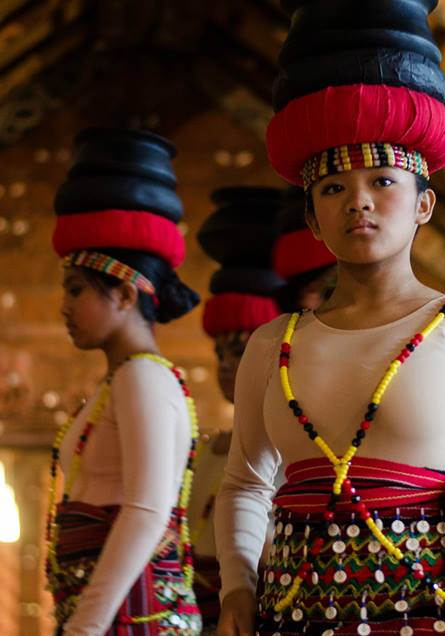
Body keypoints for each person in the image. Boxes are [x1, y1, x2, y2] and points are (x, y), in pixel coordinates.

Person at [214, 2, 445, 635]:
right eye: (332, 188)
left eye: (383, 181)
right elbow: (245, 484)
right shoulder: (272, 346)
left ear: (424, 204)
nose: (358, 200)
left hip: (436, 619)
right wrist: (236, 586)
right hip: (291, 620)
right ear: (312, 219)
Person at [46, 128, 202, 635]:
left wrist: (85, 626)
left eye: (76, 289)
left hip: (132, 617)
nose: (64, 306)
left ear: (125, 295)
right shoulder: (121, 380)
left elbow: (146, 509)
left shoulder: (141, 377)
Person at [192, 186, 285, 626]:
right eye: (221, 353)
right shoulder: (205, 450)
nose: (228, 365)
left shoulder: (292, 450)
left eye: (241, 352)